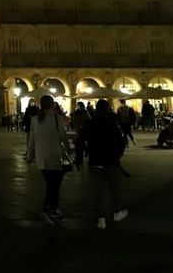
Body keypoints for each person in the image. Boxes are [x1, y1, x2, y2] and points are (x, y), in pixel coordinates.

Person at [77, 99, 128, 229]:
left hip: (95, 162)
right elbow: (121, 142)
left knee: (97, 192)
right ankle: (117, 212)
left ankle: (101, 219)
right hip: (111, 162)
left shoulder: (90, 123)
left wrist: (79, 158)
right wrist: (117, 155)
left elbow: (80, 140)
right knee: (114, 189)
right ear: (107, 109)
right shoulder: (112, 123)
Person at [27, 95, 70, 225]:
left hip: (42, 158)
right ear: (52, 104)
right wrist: (69, 152)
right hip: (55, 156)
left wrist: (30, 156)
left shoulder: (35, 120)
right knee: (54, 185)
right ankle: (46, 210)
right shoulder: (58, 118)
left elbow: (32, 140)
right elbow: (63, 137)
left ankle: (54, 209)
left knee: (52, 184)